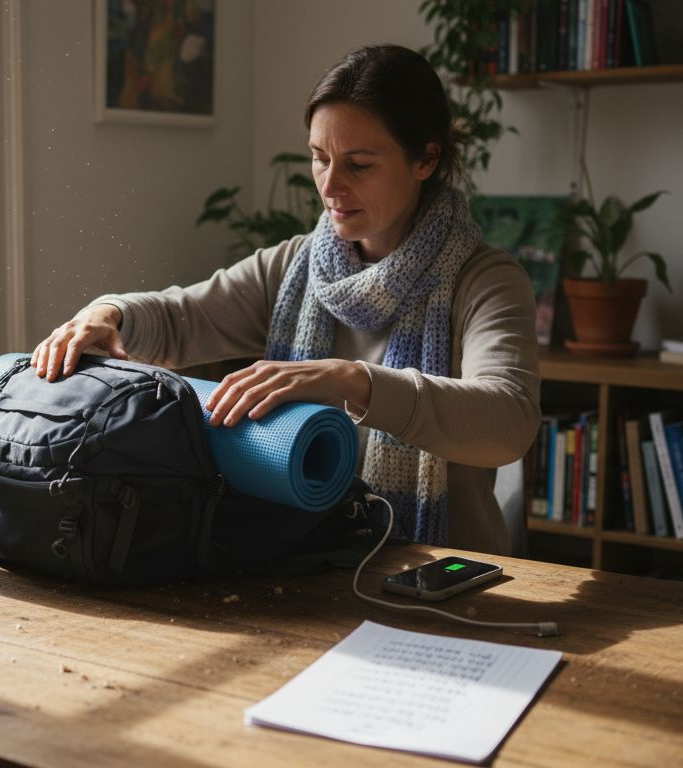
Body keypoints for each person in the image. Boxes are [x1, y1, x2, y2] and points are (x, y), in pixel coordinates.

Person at [32, 45, 540, 555]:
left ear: (426, 159)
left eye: (359, 165)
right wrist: (108, 313)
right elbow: (179, 319)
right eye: (320, 159)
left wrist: (351, 381)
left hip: (443, 574)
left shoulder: (486, 281)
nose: (331, 186)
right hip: (301, 564)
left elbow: (508, 421)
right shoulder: (294, 267)